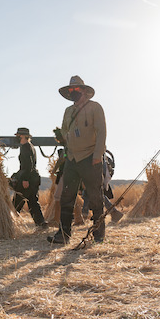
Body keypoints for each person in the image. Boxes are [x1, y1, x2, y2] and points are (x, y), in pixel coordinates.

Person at [48, 75, 107, 245]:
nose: (73, 92)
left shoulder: (95, 108)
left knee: (96, 197)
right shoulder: (68, 111)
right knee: (67, 197)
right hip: (72, 159)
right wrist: (61, 137)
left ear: (84, 90)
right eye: (70, 90)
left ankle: (98, 235)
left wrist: (98, 155)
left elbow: (102, 131)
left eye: (76, 89)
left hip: (90, 157)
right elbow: (66, 134)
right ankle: (63, 234)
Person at [11, 128, 47, 228]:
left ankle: (10, 223)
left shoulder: (26, 147)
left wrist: (25, 179)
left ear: (22, 136)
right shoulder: (29, 146)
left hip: (28, 179)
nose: (16, 138)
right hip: (32, 178)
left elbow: (28, 164)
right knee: (32, 202)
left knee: (18, 201)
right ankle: (41, 224)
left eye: (17, 136)